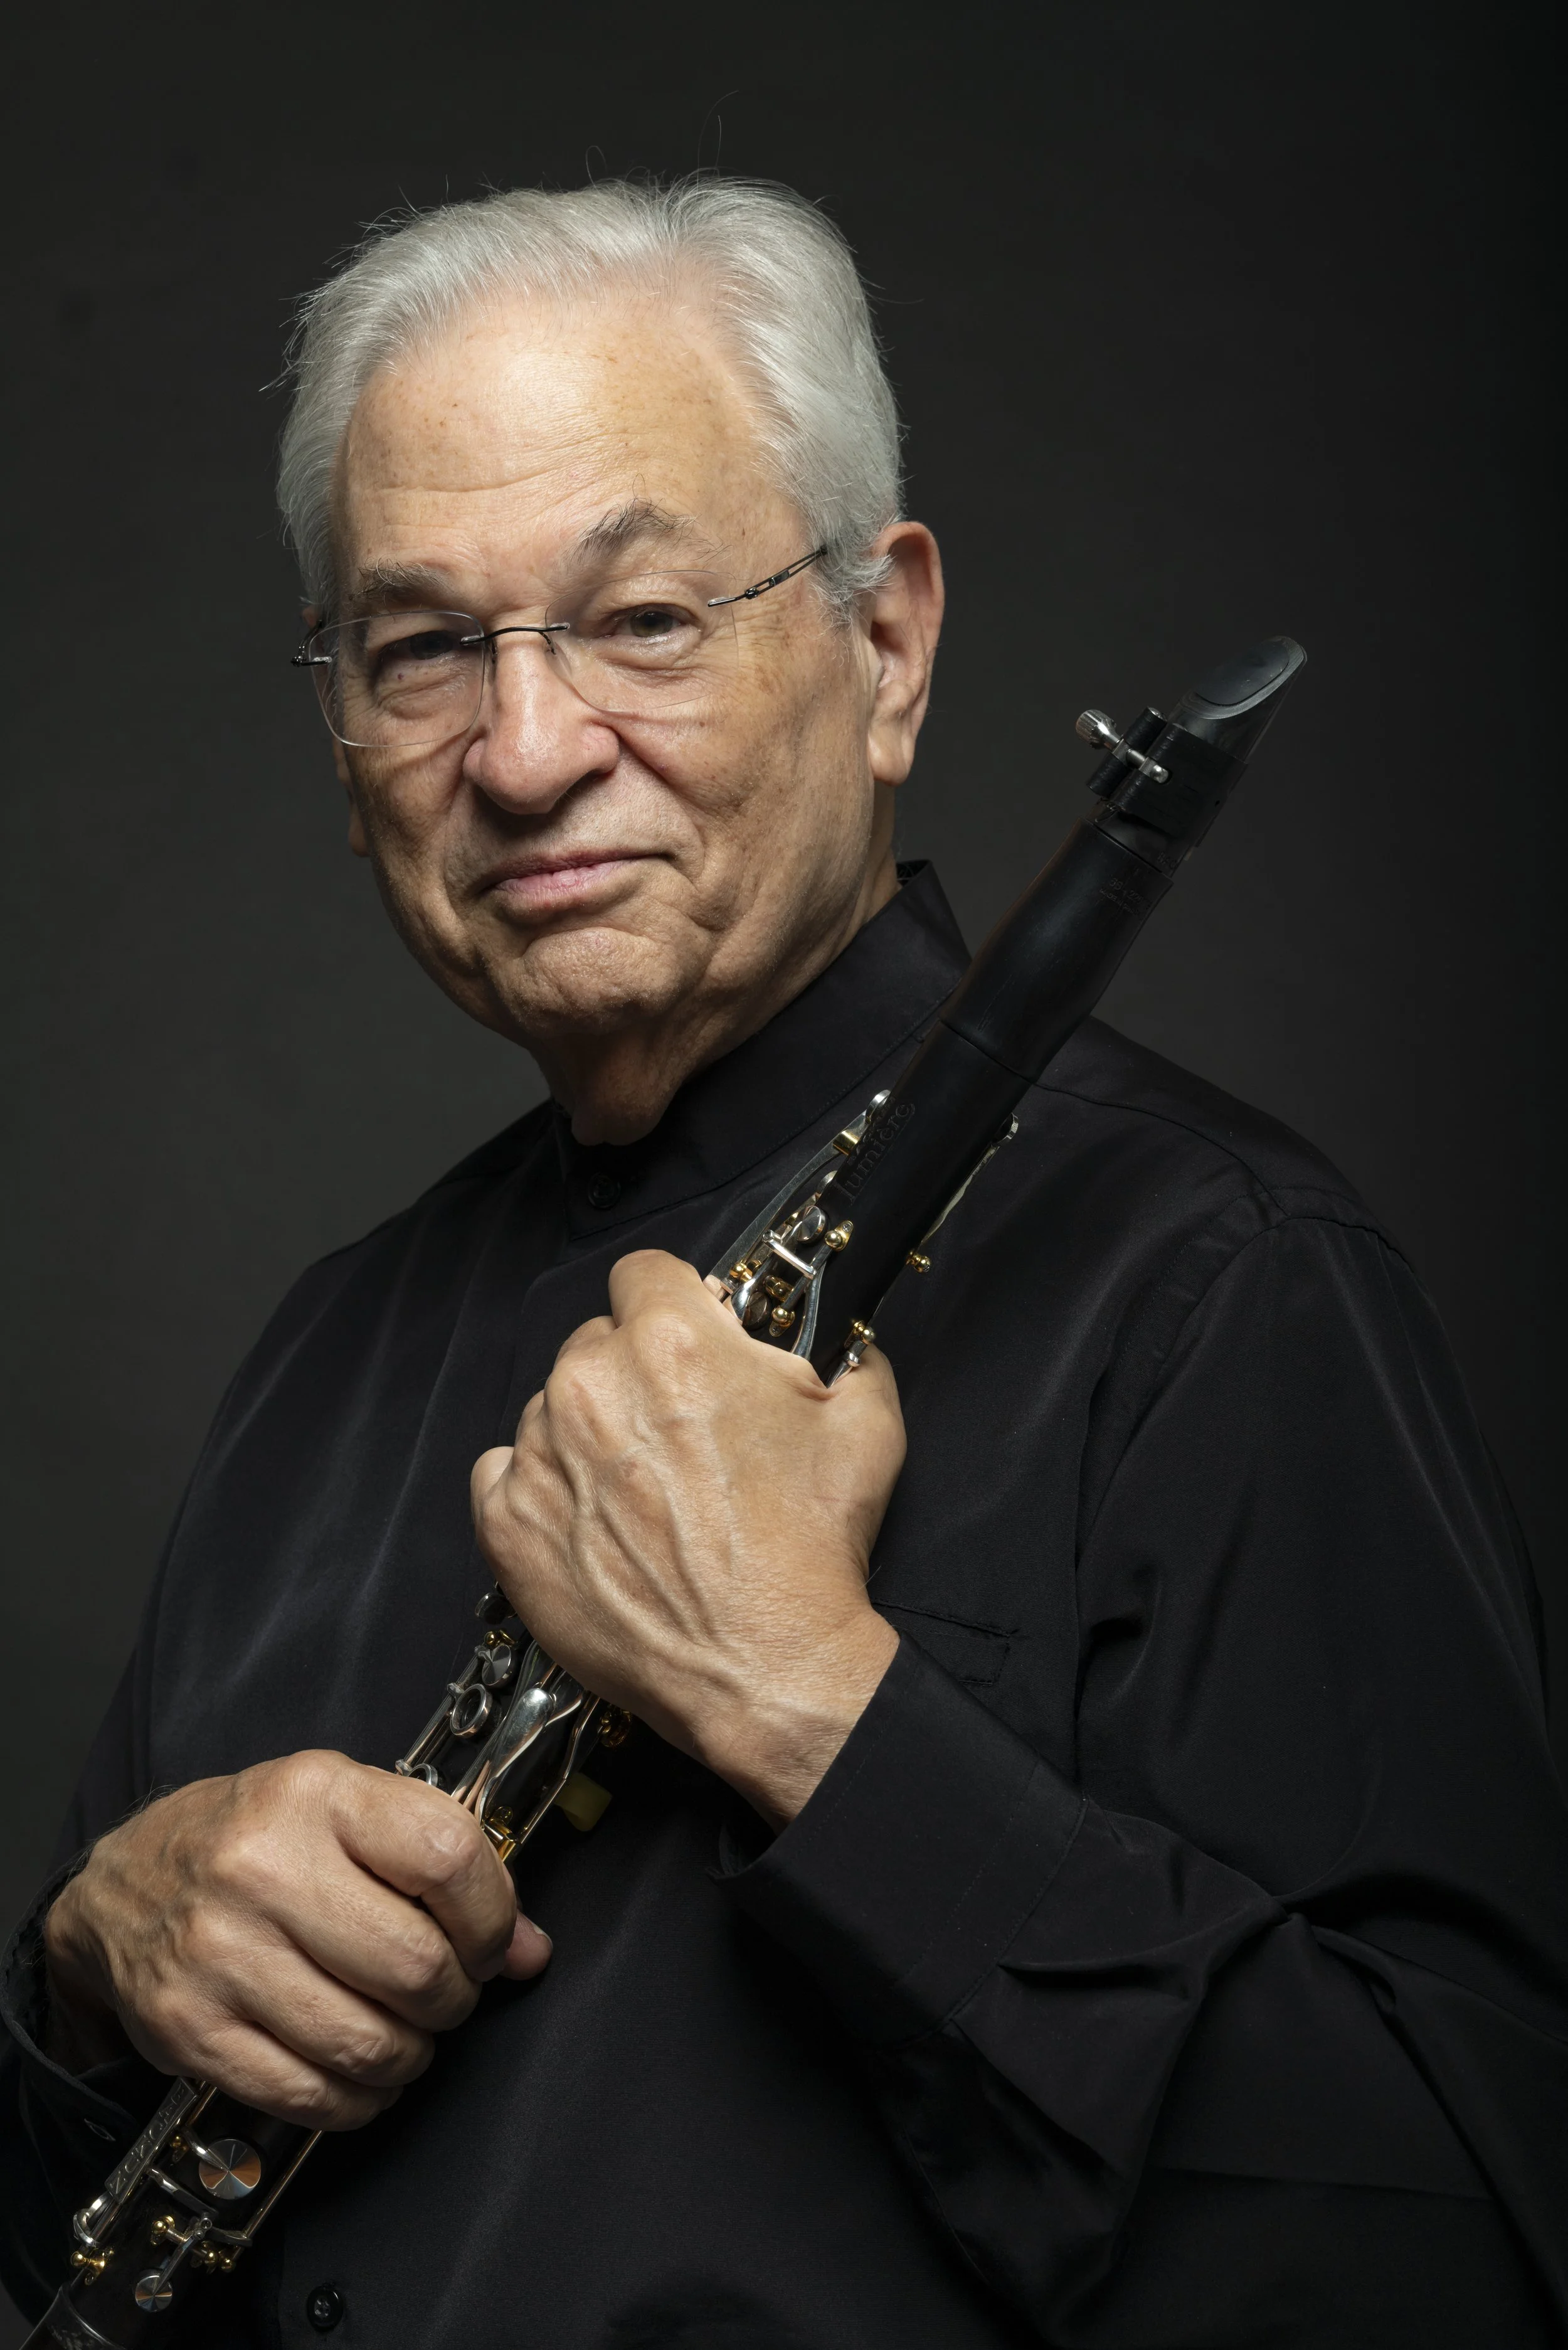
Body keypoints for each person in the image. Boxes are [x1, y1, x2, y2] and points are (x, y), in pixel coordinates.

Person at [2, 178, 1564, 2350]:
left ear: (884, 642)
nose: (527, 756)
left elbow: (1446, 2260)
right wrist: (90, 1959)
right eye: (426, 646)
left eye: (640, 619)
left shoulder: (1219, 1279)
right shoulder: (324, 1342)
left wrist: (800, 1702)